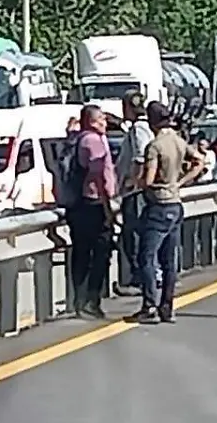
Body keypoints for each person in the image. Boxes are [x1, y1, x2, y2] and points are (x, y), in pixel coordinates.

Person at [128, 102, 204, 324]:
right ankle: (167, 308)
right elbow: (199, 161)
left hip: (158, 205)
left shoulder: (155, 146)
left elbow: (149, 180)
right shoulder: (179, 141)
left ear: (151, 121)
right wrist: (180, 182)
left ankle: (149, 306)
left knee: (147, 257)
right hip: (175, 204)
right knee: (169, 260)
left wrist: (136, 180)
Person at [67, 104, 117, 318]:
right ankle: (91, 299)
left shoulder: (77, 139)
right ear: (92, 121)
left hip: (77, 204)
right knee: (100, 253)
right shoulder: (94, 142)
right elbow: (99, 176)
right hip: (94, 203)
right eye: (102, 119)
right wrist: (109, 206)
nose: (105, 123)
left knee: (81, 253)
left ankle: (78, 300)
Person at [113, 91, 152, 294]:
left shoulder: (139, 129)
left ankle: (137, 278)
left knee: (134, 233)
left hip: (135, 192)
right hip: (135, 191)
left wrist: (132, 181)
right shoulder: (141, 127)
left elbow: (140, 157)